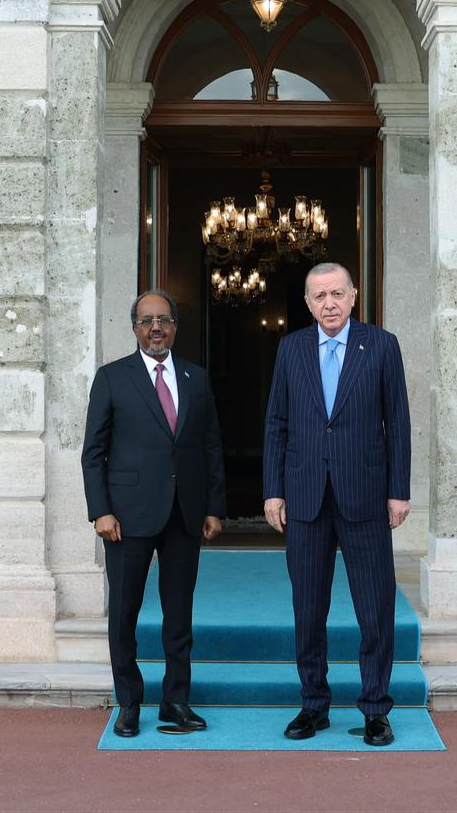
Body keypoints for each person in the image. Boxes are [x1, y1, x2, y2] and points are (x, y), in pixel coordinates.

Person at [262, 262, 411, 747]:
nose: (329, 303)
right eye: (319, 295)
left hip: (365, 495)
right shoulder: (291, 348)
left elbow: (399, 423)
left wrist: (399, 490)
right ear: (307, 303)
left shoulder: (382, 346)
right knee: (309, 609)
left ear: (353, 297)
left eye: (337, 294)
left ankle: (374, 708)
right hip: (305, 497)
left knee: (375, 608)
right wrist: (273, 489)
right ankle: (314, 705)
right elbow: (276, 424)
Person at [81, 289, 227, 738]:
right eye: (146, 321)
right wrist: (100, 511)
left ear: (175, 326)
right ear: (134, 328)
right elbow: (93, 452)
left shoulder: (196, 377)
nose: (155, 328)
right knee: (124, 613)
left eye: (163, 319)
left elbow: (210, 446)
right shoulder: (111, 377)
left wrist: (213, 507)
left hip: (185, 515)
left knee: (178, 614)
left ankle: (175, 702)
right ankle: (129, 702)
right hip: (126, 519)